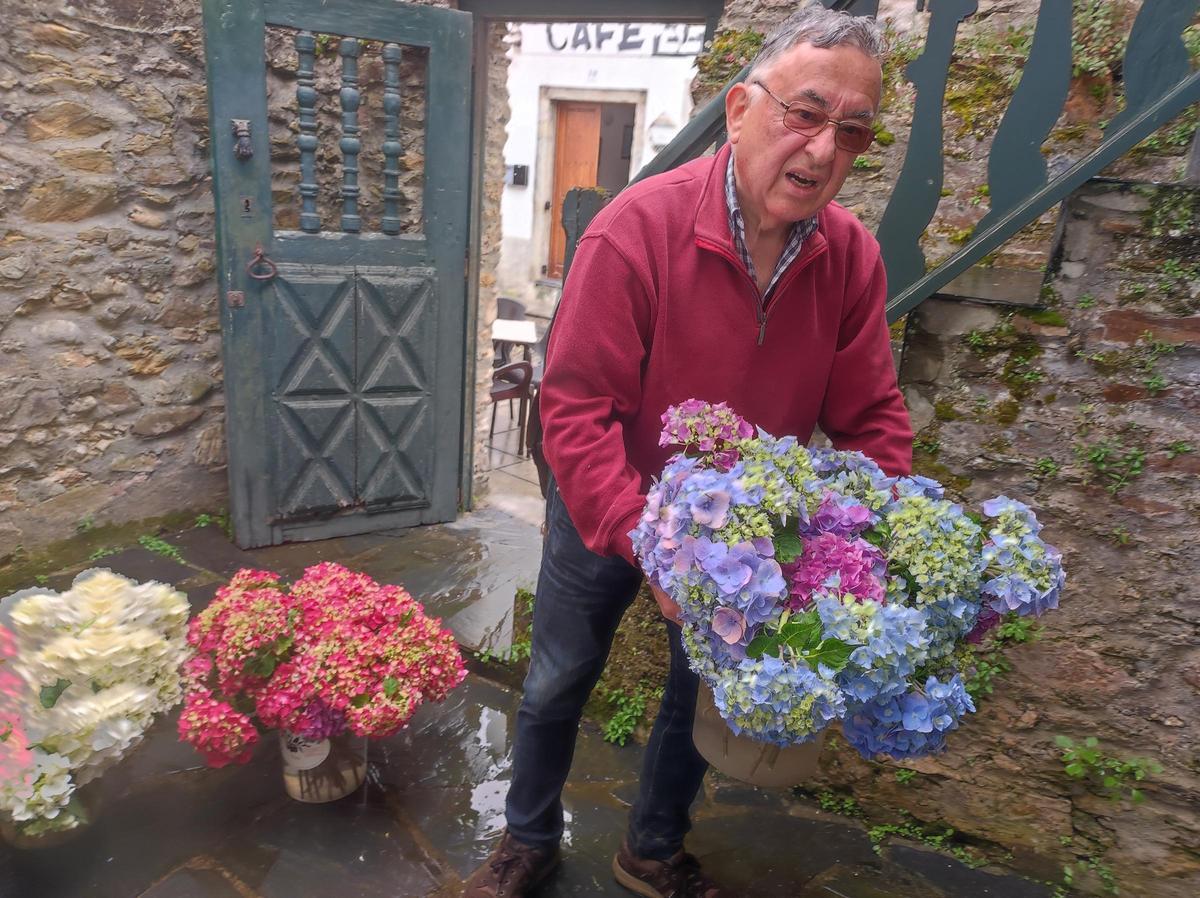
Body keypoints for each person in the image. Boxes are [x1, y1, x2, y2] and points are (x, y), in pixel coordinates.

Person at [463, 6, 912, 897]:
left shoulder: (852, 256)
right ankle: (527, 839)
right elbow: (576, 407)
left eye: (852, 131)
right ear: (742, 108)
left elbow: (869, 416)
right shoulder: (637, 228)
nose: (824, 150)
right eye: (806, 113)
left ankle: (653, 849)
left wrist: (878, 535)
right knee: (556, 679)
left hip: (748, 534)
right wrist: (648, 540)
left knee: (692, 700)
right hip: (612, 504)